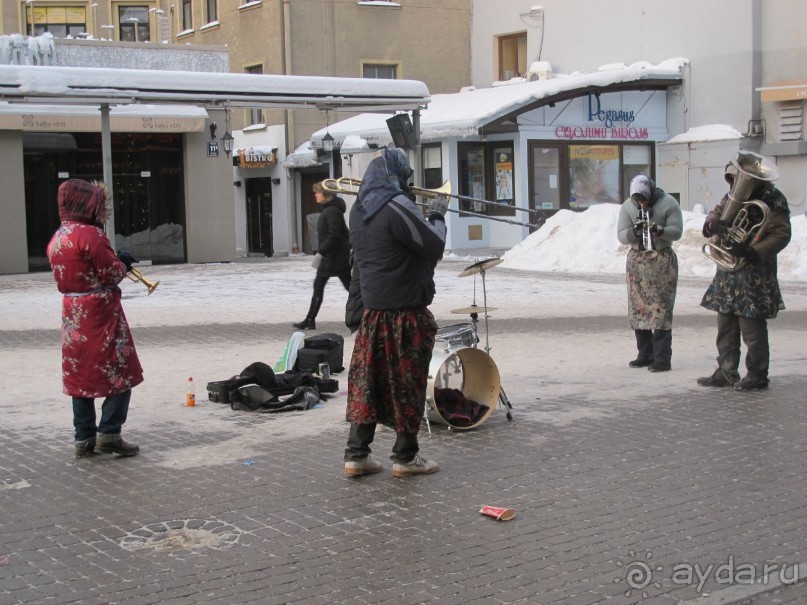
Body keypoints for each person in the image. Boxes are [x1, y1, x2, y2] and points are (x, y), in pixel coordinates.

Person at [343, 148, 448, 478]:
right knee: (407, 385)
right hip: (406, 315)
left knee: (368, 385)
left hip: (373, 314)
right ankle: (405, 456)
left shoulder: (358, 210)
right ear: (397, 176)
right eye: (406, 177)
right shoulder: (396, 204)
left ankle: (356, 455)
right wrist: (437, 216)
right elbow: (434, 245)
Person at [46, 179, 143, 459]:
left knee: (80, 376)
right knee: (120, 370)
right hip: (101, 314)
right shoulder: (91, 235)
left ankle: (84, 439)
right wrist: (123, 262)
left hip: (73, 314)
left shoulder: (58, 237)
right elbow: (111, 274)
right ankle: (110, 434)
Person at [697, 150, 791, 391]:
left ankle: (757, 374)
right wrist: (713, 224)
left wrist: (753, 251)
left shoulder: (774, 200)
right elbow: (717, 211)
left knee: (751, 327)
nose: (735, 183)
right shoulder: (733, 195)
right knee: (725, 324)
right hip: (729, 271)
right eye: (733, 178)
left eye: (738, 178)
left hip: (754, 274)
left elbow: (781, 234)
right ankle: (726, 371)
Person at [616, 174, 684, 372]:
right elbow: (621, 235)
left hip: (661, 260)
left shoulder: (669, 203)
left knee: (660, 310)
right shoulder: (627, 207)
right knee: (639, 310)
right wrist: (634, 233)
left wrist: (661, 231)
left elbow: (677, 231)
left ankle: (662, 359)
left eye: (644, 199)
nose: (641, 204)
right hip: (638, 263)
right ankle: (645, 354)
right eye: (637, 200)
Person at [293, 182, 351, 330]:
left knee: (349, 287)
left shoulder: (332, 211)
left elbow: (334, 235)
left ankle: (310, 320)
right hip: (334, 257)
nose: (315, 195)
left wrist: (321, 252)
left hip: (335, 257)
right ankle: (310, 319)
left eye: (318, 192)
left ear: (326, 195)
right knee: (340, 286)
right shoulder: (330, 210)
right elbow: (343, 233)